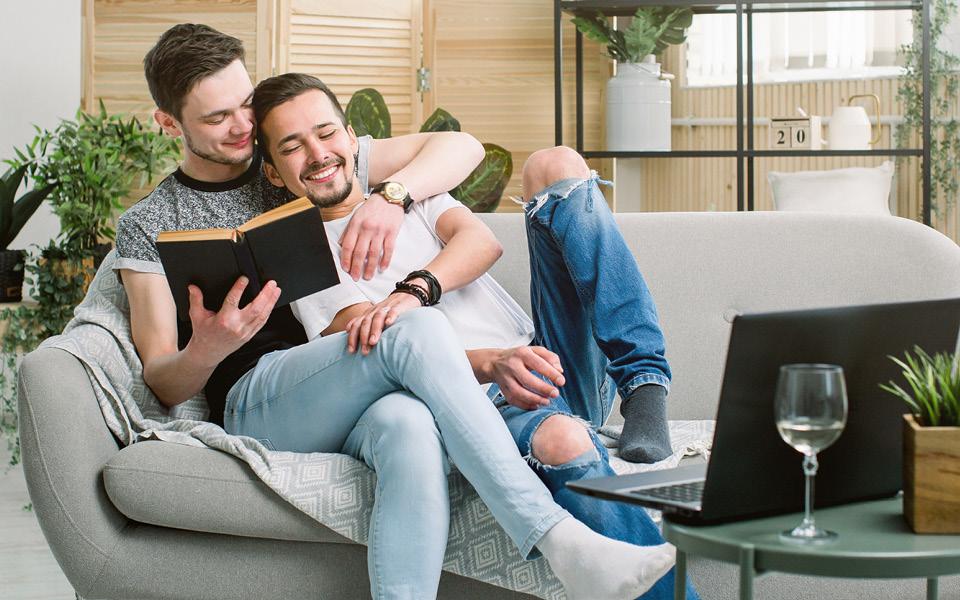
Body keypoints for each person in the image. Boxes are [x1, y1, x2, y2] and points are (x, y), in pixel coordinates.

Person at [116, 24, 675, 600]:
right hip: (292, 386)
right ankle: (556, 536)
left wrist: (394, 197)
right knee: (413, 358)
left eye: (246, 105)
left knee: (409, 419)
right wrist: (209, 346)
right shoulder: (181, 218)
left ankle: (643, 385)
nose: (242, 127)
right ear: (170, 123)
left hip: (443, 372)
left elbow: (463, 154)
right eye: (217, 118)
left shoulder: (324, 164)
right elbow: (164, 376)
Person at [254, 73, 697, 600]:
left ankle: (644, 384)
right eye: (292, 147)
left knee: (554, 164)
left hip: (548, 357)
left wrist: (414, 285)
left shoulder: (406, 195)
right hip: (483, 398)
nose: (317, 154)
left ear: (353, 138)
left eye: (326, 133)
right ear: (273, 172)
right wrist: (494, 361)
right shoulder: (299, 254)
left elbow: (482, 243)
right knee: (563, 438)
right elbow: (378, 347)